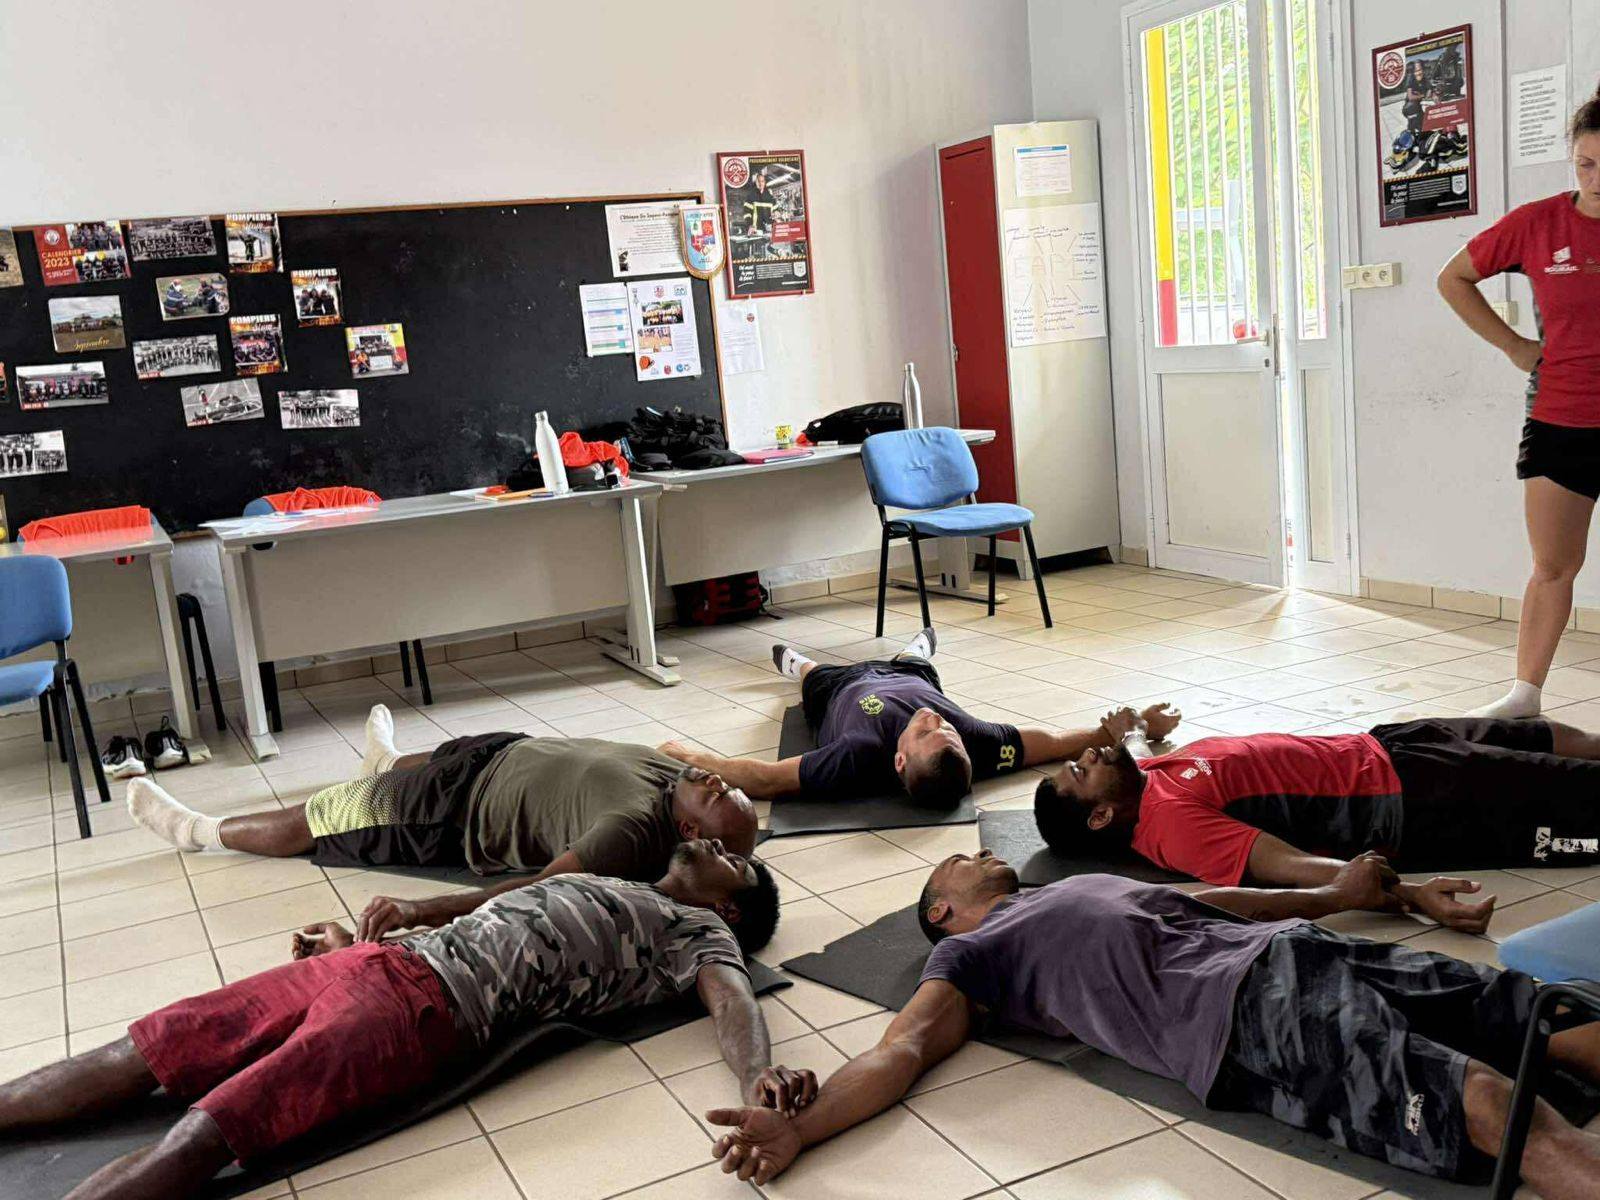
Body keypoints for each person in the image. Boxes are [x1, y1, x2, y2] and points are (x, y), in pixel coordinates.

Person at [703, 851, 1600, 1195]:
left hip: (1304, 950)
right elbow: (901, 1046)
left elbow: (1215, 899)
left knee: (1544, 1018)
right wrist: (802, 1127)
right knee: (1491, 1100)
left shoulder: (1069, 887)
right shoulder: (970, 954)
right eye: (958, 863)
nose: (979, 852)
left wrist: (1339, 896)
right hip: (1249, 1020)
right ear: (941, 910)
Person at [0, 840, 806, 1200]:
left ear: (731, 906)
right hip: (376, 962)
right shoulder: (623, 883)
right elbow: (504, 903)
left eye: (733, 860)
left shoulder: (698, 933)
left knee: (207, 1131)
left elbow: (733, 1002)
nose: (713, 843)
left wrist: (756, 1074)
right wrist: (395, 924)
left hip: (422, 1010)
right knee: (145, 1049)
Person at [128, 704, 758, 939]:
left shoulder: (630, 834)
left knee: (315, 817)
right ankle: (385, 760)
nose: (714, 780)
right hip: (503, 750)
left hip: (452, 811)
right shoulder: (678, 778)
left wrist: (421, 910)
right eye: (723, 785)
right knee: (418, 759)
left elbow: (540, 888)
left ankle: (197, 831)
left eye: (718, 794)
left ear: (691, 834)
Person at [1030, 708, 1600, 930]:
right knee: (1575, 790)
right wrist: (1408, 894)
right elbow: (1284, 865)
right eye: (1081, 772)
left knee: (1543, 735)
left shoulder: (1144, 775)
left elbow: (1130, 746)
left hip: (1387, 745)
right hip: (1412, 798)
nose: (1089, 755)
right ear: (1101, 816)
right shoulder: (1170, 825)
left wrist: (1135, 728)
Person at [1436, 81, 1600, 719]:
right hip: (1561, 418)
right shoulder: (1539, 224)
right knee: (1553, 565)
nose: (1596, 181)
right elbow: (1454, 277)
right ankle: (1524, 697)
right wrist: (1513, 346)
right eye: (1586, 165)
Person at [661, 627, 1181, 809]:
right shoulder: (974, 744)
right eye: (946, 731)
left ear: (899, 759)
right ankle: (918, 645)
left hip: (839, 687)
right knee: (917, 661)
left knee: (812, 674)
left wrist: (686, 756)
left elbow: (764, 780)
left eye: (928, 733)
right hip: (913, 675)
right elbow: (1055, 743)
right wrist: (1133, 726)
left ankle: (794, 663)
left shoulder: (855, 755)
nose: (935, 721)